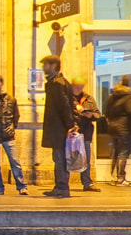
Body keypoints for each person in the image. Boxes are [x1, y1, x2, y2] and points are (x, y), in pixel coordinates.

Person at [40, 55, 78, 198]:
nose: (44, 68)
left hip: (58, 128)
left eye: (46, 65)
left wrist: (70, 124)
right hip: (59, 127)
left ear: (53, 66)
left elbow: (64, 106)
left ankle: (62, 187)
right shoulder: (57, 82)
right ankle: (60, 186)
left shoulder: (57, 84)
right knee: (59, 158)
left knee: (60, 158)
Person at [104, 75, 131, 186]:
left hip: (113, 127)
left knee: (116, 152)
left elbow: (106, 111)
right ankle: (120, 178)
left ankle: (113, 177)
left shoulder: (112, 96)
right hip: (123, 128)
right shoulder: (127, 96)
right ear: (130, 83)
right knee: (123, 153)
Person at [70, 76, 101, 192]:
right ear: (72, 85)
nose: (79, 89)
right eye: (77, 86)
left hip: (85, 132)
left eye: (81, 86)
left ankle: (87, 183)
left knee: (86, 159)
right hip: (71, 134)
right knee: (67, 157)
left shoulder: (88, 98)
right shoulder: (67, 98)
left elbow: (98, 115)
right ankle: (63, 183)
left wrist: (91, 115)